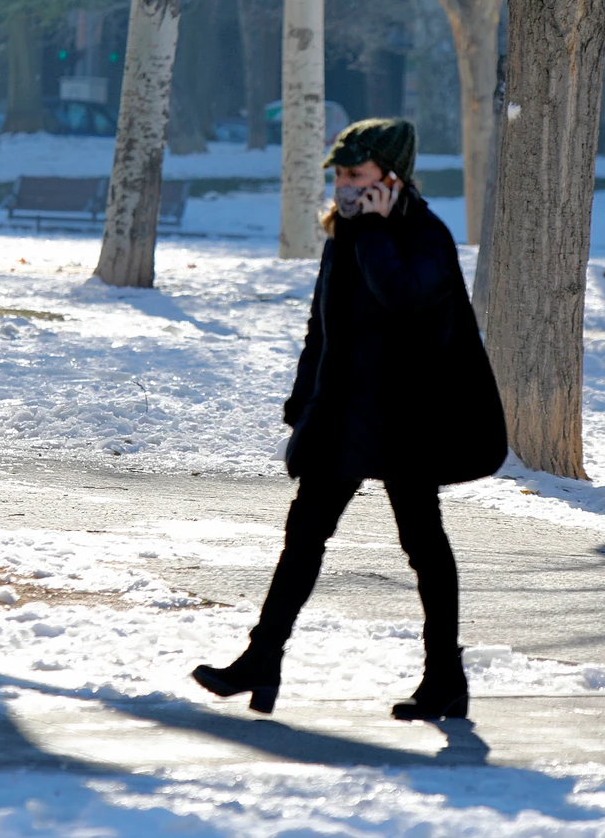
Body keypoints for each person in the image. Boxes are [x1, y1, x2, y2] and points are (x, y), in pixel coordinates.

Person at [193, 118, 507, 721]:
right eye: (339, 174)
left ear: (390, 179)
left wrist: (375, 231)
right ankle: (262, 659)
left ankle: (445, 676)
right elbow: (324, 327)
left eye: (355, 174)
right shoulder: (346, 234)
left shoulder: (424, 235)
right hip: (344, 414)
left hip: (409, 420)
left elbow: (405, 297)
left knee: (423, 545)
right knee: (303, 536)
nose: (343, 186)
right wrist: (302, 399)